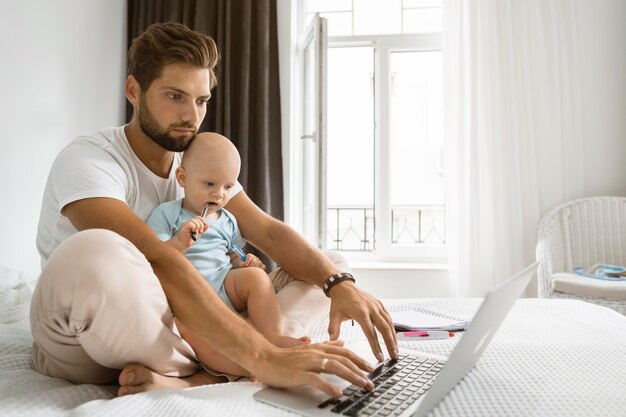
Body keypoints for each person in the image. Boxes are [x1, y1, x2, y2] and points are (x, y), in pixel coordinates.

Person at [31, 21, 397, 398]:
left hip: (175, 324)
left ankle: (204, 371)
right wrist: (263, 354)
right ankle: (246, 357)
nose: (191, 115)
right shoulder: (90, 159)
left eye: (201, 100)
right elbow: (158, 258)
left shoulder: (198, 168)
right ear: (133, 91)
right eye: (175, 96)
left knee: (328, 263)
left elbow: (268, 232)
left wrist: (339, 284)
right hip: (93, 328)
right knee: (94, 252)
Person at [147, 132, 310, 377]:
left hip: (224, 285)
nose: (219, 194)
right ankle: (247, 366)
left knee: (256, 277)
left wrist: (245, 263)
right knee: (194, 333)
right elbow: (154, 257)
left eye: (228, 186)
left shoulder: (228, 220)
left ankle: (272, 336)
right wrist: (180, 242)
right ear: (183, 178)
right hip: (188, 298)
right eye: (210, 184)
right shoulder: (168, 213)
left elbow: (233, 255)